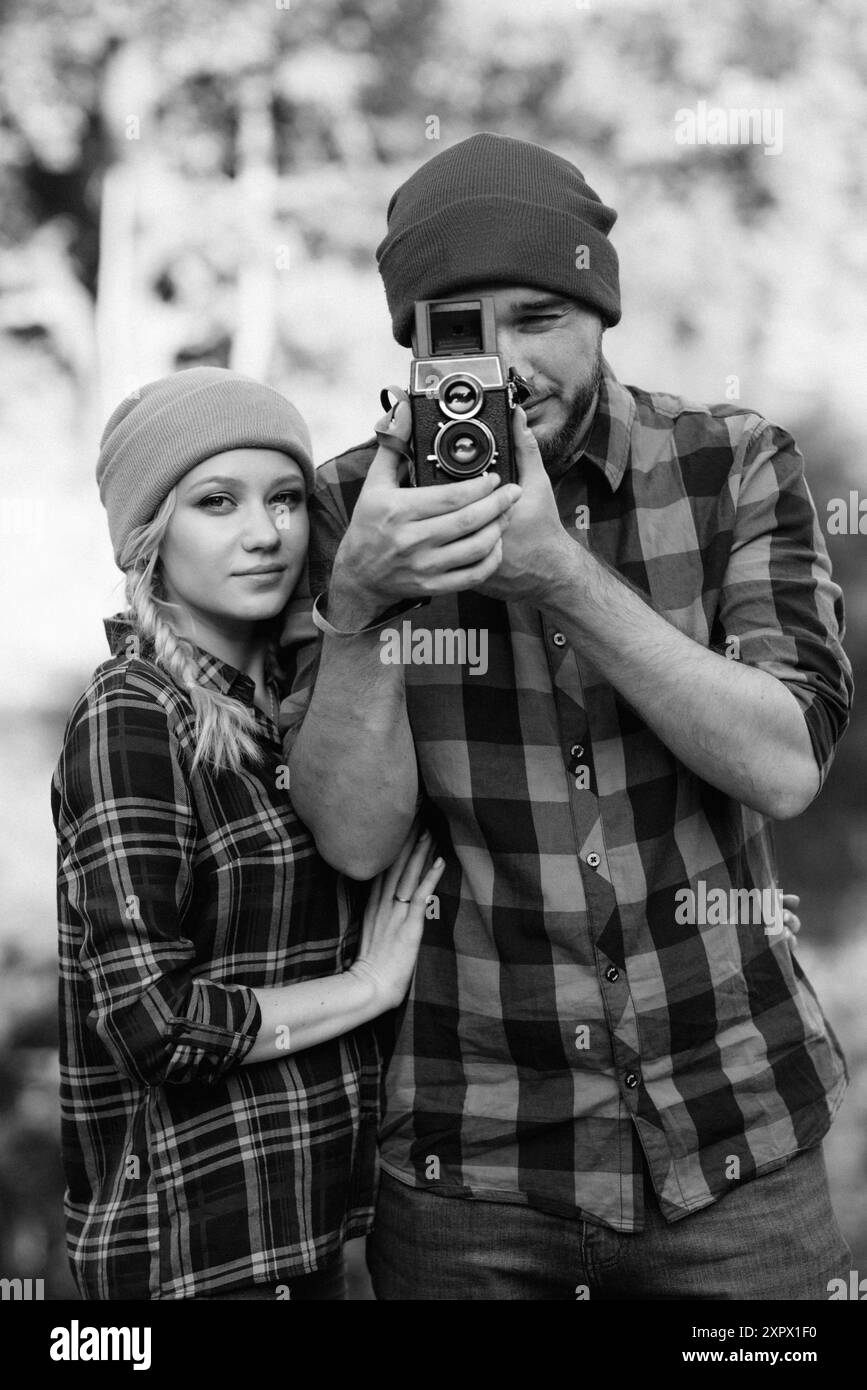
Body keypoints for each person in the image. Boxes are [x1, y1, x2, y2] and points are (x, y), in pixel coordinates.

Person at [283, 134, 854, 1300]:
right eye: (459, 328)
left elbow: (786, 763)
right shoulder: (351, 506)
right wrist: (362, 607)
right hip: (469, 1156)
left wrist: (560, 575)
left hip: (732, 1135)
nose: (503, 365)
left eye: (540, 317)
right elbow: (350, 837)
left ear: (601, 313)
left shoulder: (731, 464)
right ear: (410, 343)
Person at [51, 367, 443, 1301]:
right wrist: (366, 987)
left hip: (302, 1240)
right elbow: (152, 1021)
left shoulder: (294, 705)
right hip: (188, 1255)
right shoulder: (134, 716)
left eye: (286, 499)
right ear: (150, 536)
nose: (265, 533)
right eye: (217, 502)